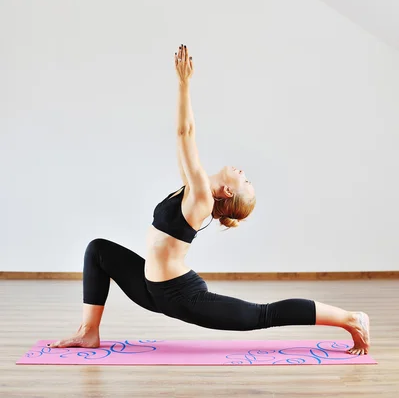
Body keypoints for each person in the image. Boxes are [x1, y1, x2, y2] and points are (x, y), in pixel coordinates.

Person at [48, 44, 370, 356]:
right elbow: (181, 144)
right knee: (98, 250)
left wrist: (184, 84)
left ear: (228, 193)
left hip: (180, 295)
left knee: (262, 315)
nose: (244, 172)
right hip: (150, 289)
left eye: (246, 181)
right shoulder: (192, 186)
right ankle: (89, 331)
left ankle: (350, 318)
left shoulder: (201, 195)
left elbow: (184, 134)